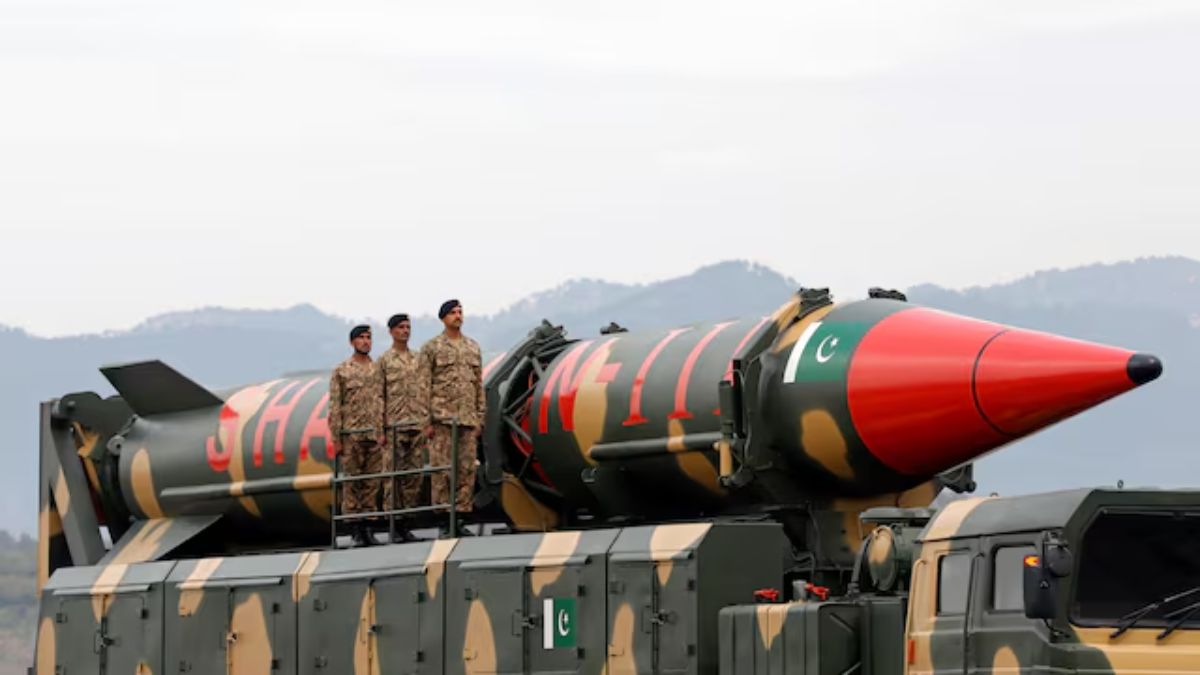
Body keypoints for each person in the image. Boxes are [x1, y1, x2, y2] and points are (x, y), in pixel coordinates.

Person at [419, 299, 485, 534]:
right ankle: (443, 520)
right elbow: (423, 386)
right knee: (442, 471)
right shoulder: (432, 348)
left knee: (466, 471)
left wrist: (480, 418)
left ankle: (461, 518)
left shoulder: (472, 347)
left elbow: (478, 385)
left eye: (460, 312)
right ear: (443, 318)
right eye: (453, 313)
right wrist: (426, 421)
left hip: (467, 420)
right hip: (442, 420)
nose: (458, 316)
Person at [328, 324, 385, 546]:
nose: (365, 341)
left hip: (374, 434)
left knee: (371, 483)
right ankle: (355, 529)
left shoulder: (378, 369)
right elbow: (335, 406)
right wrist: (337, 438)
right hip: (351, 435)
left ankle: (369, 527)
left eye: (368, 337)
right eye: (361, 338)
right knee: (352, 483)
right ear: (352, 342)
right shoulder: (342, 371)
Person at [378, 313, 427, 540]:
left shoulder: (419, 359)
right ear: (391, 332)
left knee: (414, 476)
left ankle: (406, 522)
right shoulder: (384, 362)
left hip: (416, 424)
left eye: (408, 327)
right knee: (392, 477)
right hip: (393, 427)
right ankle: (393, 524)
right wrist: (380, 428)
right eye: (400, 328)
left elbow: (426, 390)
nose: (405, 331)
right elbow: (378, 396)